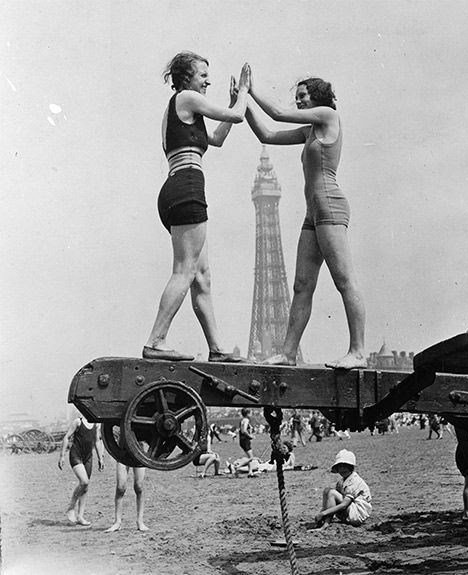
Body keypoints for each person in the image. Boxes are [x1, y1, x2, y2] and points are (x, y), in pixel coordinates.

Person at [245, 70, 366, 369]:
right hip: (313, 212)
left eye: (302, 96)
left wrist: (251, 88)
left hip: (330, 207)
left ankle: (358, 351)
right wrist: (242, 102)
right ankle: (287, 353)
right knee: (301, 284)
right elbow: (267, 135)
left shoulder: (327, 116)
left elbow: (277, 113)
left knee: (344, 280)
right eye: (296, 97)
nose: (298, 102)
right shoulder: (310, 130)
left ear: (318, 97)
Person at [143, 51, 250, 362]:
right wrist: (243, 93)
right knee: (186, 270)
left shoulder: (184, 108)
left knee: (201, 275)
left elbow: (217, 138)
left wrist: (231, 105)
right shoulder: (187, 98)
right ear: (186, 78)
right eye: (203, 74)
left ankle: (217, 349)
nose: (208, 81)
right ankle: (156, 341)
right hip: (187, 186)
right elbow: (238, 116)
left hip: (176, 187)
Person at [58, 415, 104, 526]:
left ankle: (80, 517)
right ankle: (71, 508)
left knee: (85, 487)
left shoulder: (96, 424)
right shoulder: (78, 422)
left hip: (88, 457)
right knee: (84, 481)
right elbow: (66, 437)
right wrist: (62, 456)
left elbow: (97, 441)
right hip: (76, 454)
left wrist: (100, 458)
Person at [314, 449, 372, 528]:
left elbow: (344, 505)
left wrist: (323, 513)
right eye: (340, 467)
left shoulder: (354, 480)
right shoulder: (341, 482)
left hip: (357, 514)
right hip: (349, 512)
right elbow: (332, 501)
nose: (342, 470)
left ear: (351, 467)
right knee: (327, 491)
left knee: (331, 493)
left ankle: (325, 524)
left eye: (345, 467)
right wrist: (323, 511)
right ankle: (324, 520)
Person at [105, 462, 149, 532]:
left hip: (138, 455)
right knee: (120, 487)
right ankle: (117, 522)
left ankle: (140, 521)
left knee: (139, 487)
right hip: (122, 454)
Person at [229, 408, 258, 477]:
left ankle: (250, 472)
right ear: (248, 413)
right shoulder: (246, 420)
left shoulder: (242, 420)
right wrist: (250, 436)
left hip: (243, 440)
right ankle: (235, 467)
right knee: (251, 458)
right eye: (251, 413)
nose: (252, 414)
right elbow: (244, 431)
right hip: (245, 440)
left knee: (249, 457)